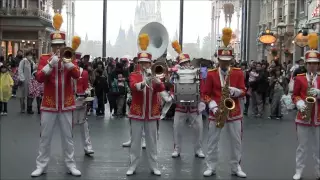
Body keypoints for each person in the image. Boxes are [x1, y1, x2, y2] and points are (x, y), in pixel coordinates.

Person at [31, 13, 81, 177]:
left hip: (66, 103)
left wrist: (67, 65)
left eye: (60, 45)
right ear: (51, 46)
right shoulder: (45, 58)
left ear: (64, 45)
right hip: (49, 103)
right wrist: (50, 65)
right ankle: (41, 165)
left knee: (68, 137)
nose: (58, 48)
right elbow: (38, 78)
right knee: (45, 137)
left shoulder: (70, 58)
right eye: (55, 45)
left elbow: (76, 76)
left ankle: (71, 165)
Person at [203, 27, 247, 178]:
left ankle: (236, 167)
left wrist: (236, 91)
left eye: (228, 61)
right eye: (223, 61)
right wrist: (213, 106)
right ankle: (211, 166)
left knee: (236, 142)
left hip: (234, 112)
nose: (225, 63)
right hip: (217, 112)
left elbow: (243, 91)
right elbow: (205, 94)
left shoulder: (238, 73)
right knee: (212, 141)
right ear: (218, 59)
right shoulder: (211, 74)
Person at [126, 34, 172, 176]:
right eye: (142, 62)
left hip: (152, 113)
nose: (145, 65)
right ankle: (133, 165)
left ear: (151, 63)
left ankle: (154, 165)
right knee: (135, 141)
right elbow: (134, 87)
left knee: (152, 141)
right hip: (137, 112)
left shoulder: (155, 75)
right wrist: (144, 81)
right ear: (139, 63)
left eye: (147, 62)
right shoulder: (134, 74)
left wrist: (158, 82)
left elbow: (161, 90)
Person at [292, 33, 320, 180]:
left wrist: (319, 93)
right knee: (302, 147)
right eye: (310, 63)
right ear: (306, 64)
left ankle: (318, 171)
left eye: (315, 63)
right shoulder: (300, 78)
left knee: (318, 148)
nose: (312, 66)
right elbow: (294, 95)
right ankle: (299, 171)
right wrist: (300, 103)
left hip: (318, 117)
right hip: (303, 116)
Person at [170, 41, 205, 158]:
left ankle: (198, 149)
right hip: (180, 106)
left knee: (198, 128)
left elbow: (204, 82)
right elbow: (171, 85)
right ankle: (177, 149)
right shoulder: (176, 73)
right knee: (177, 129)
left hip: (195, 105)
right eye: (182, 63)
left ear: (189, 62)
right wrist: (174, 72)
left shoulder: (197, 72)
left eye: (186, 62)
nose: (184, 64)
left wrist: (203, 101)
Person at [73, 46, 95, 155]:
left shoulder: (84, 73)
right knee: (67, 127)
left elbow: (86, 87)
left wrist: (87, 95)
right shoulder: (65, 71)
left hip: (81, 100)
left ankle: (88, 147)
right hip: (68, 101)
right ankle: (68, 149)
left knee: (84, 124)